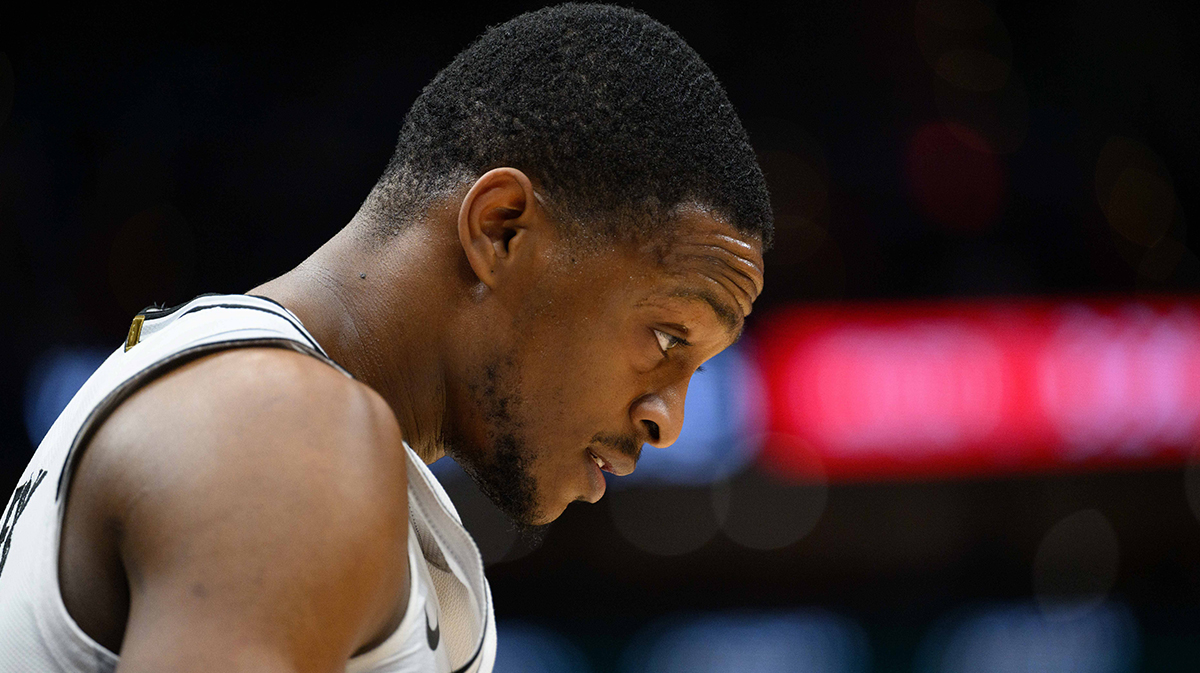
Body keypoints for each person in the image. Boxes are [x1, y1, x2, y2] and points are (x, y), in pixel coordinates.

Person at [0, 4, 771, 672]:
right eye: (668, 337)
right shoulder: (282, 432)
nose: (667, 420)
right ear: (501, 230)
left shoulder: (264, 414)